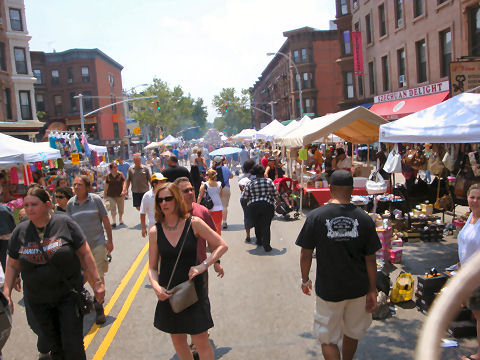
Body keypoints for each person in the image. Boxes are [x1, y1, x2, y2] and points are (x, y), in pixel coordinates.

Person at [4, 185, 105, 360]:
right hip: (38, 301)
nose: (28, 209)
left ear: (47, 204)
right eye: (26, 205)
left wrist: (97, 282)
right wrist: (6, 294)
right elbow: (12, 264)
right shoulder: (20, 232)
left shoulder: (64, 223)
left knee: (73, 346)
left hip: (68, 297)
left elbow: (85, 252)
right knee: (55, 347)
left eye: (33, 204)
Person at [296, 170, 380, 360]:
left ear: (330, 189)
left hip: (329, 289)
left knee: (327, 339)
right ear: (352, 189)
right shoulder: (365, 219)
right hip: (358, 288)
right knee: (352, 332)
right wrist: (372, 289)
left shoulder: (316, 217)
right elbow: (371, 259)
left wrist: (305, 279)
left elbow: (305, 254)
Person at [147, 182, 228, 360]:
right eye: (160, 200)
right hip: (169, 292)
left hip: (194, 290)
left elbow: (221, 245)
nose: (164, 203)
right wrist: (156, 287)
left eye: (168, 198)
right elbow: (152, 267)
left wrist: (204, 265)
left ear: (176, 199)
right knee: (178, 341)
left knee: (201, 341)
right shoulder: (155, 232)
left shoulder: (194, 224)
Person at [67, 175, 113, 325]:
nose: (76, 187)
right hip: (80, 248)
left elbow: (105, 220)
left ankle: (99, 306)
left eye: (79, 184)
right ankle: (96, 297)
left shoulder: (95, 200)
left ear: (87, 186)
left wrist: (110, 241)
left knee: (98, 274)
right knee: (87, 275)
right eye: (74, 185)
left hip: (98, 243)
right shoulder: (70, 204)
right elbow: (69, 227)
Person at [458, 184, 480, 360]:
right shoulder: (471, 217)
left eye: (479, 198)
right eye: (472, 197)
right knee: (476, 313)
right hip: (468, 275)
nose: (475, 201)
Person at [241, 165, 280, 252]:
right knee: (266, 225)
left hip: (253, 206)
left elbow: (245, 196)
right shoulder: (269, 181)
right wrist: (278, 201)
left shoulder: (250, 183)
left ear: (255, 174)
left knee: (257, 224)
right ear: (263, 173)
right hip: (267, 205)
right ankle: (267, 245)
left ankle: (259, 241)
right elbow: (275, 193)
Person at [140, 173, 168, 238]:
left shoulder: (167, 193)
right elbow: (142, 212)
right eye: (161, 181)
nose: (164, 183)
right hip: (154, 228)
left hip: (167, 226)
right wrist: (143, 228)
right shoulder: (147, 196)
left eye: (164, 181)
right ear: (155, 184)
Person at [197, 169, 223, 235]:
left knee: (209, 227)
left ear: (208, 176)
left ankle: (211, 242)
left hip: (208, 207)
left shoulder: (204, 185)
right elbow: (221, 195)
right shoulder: (219, 184)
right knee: (217, 226)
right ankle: (218, 241)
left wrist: (197, 206)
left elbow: (200, 196)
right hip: (218, 207)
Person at [212, 156, 233, 229]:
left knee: (215, 206)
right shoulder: (225, 168)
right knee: (224, 206)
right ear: (221, 162)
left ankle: (215, 222)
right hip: (225, 187)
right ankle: (224, 222)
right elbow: (231, 176)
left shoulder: (212, 170)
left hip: (214, 188)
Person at [238, 159, 255, 243]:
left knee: (246, 216)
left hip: (244, 198)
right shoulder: (255, 176)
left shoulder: (241, 176)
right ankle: (258, 233)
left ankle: (248, 235)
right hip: (254, 197)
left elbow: (241, 188)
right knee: (256, 215)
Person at [104, 162, 126, 227]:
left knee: (121, 208)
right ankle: (114, 221)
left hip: (120, 194)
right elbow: (107, 185)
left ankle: (120, 219)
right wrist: (105, 193)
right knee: (112, 207)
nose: (116, 168)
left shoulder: (120, 174)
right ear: (111, 169)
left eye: (116, 167)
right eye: (114, 167)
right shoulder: (108, 176)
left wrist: (124, 190)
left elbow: (124, 183)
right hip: (111, 195)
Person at [0, 204, 15, 272]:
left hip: (5, 235)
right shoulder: (5, 208)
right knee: (4, 257)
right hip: (6, 235)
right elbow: (12, 222)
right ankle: (7, 275)